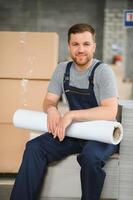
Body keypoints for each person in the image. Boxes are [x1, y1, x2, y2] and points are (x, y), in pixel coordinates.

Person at [10, 23, 119, 200]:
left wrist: (71, 114)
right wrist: (51, 110)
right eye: (75, 44)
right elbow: (49, 100)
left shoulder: (103, 72)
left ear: (94, 46)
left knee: (90, 157)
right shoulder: (62, 69)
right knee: (34, 147)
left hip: (104, 134)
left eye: (86, 44)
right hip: (74, 131)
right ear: (69, 46)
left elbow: (110, 110)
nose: (81, 49)